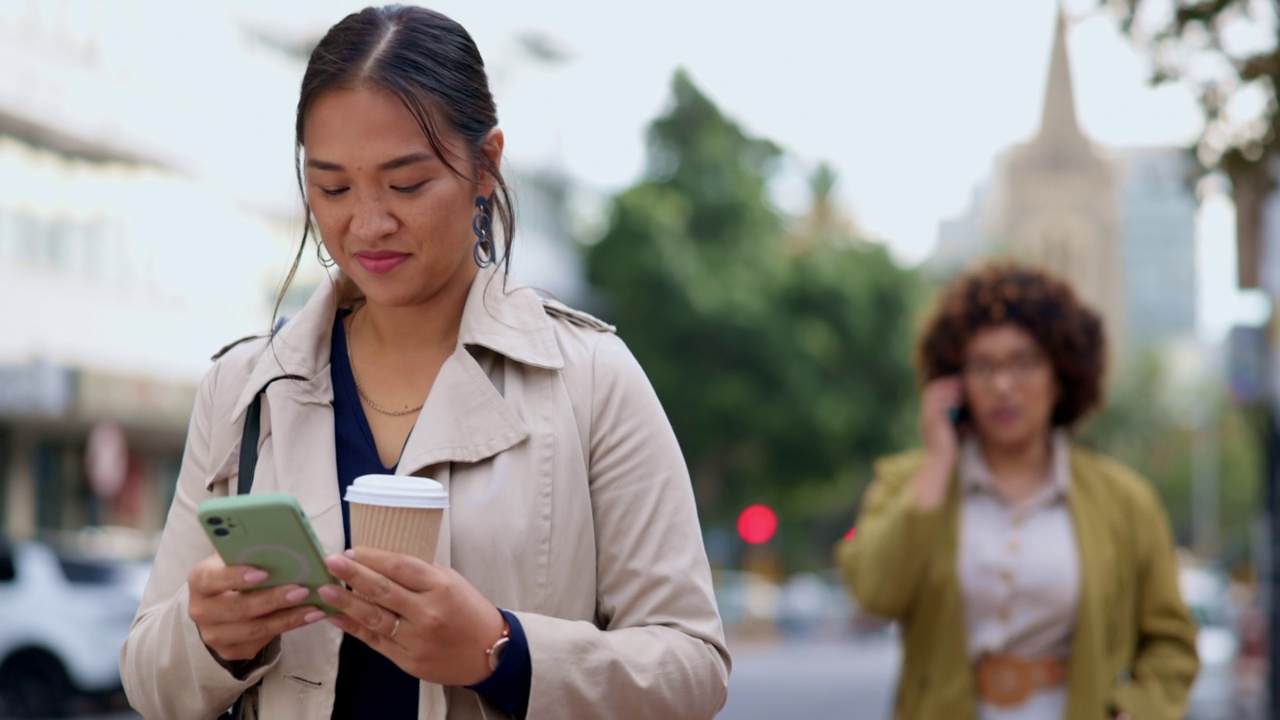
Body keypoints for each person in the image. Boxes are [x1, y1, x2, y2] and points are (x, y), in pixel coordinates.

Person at [119, 6, 730, 719]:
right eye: (333, 187)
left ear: (486, 165)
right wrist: (211, 637)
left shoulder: (591, 378)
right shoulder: (245, 387)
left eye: (406, 184)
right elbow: (148, 677)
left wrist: (502, 651)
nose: (369, 222)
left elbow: (692, 667)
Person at [835, 262, 1198, 720]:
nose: (1003, 386)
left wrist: (1139, 711)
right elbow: (874, 595)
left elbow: (1171, 642)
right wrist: (938, 462)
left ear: (1060, 373)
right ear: (956, 381)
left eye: (1023, 363)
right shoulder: (910, 482)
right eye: (982, 367)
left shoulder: (1126, 500)